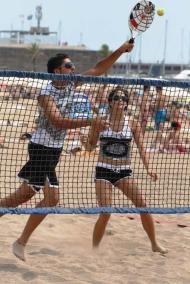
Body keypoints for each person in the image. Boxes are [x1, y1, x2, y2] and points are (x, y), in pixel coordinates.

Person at [0, 41, 134, 261]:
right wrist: (91, 121)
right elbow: (57, 121)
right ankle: (21, 241)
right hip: (41, 148)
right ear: (57, 70)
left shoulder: (71, 84)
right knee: (52, 198)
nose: (73, 68)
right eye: (69, 65)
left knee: (22, 196)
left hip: (54, 151)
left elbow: (99, 69)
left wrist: (120, 50)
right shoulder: (45, 93)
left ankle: (20, 241)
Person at [82, 86, 167, 254]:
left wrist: (149, 168)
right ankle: (94, 249)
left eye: (123, 99)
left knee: (143, 206)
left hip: (124, 171)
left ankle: (154, 244)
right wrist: (85, 142)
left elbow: (142, 148)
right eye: (116, 98)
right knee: (106, 212)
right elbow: (91, 146)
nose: (119, 101)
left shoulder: (132, 123)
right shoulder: (100, 121)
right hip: (104, 170)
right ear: (110, 102)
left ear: (127, 103)